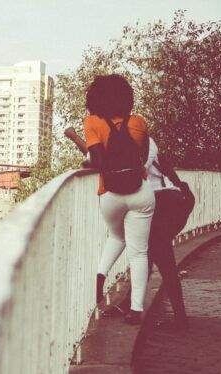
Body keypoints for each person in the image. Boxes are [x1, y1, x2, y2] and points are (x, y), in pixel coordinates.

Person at [65, 129, 194, 328]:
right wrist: (74, 137)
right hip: (157, 203)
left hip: (167, 201)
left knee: (162, 257)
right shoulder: (119, 144)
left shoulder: (146, 142)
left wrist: (99, 162)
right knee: (148, 253)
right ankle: (132, 305)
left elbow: (138, 166)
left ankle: (179, 318)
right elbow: (94, 157)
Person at [82, 74, 155, 324]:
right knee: (138, 253)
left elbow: (99, 161)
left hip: (111, 193)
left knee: (116, 236)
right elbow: (143, 158)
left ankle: (100, 275)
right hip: (140, 192)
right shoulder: (138, 121)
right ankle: (135, 310)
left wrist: (88, 161)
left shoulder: (92, 122)